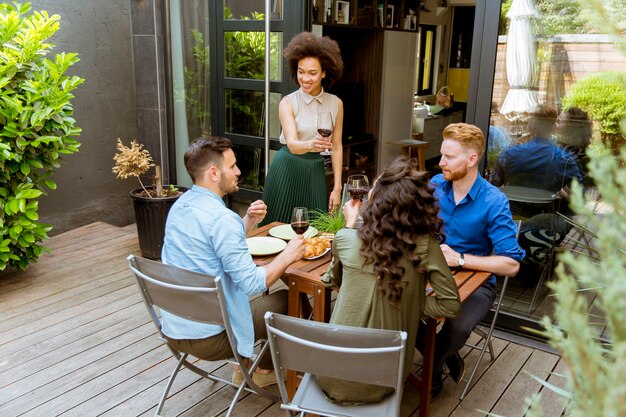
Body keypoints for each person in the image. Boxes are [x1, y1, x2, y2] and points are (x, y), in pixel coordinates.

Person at [160, 135, 305, 387]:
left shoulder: (181, 206)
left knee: (257, 300)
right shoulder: (221, 219)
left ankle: (245, 365)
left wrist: (247, 221)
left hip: (175, 327)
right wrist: (289, 255)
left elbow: (212, 245)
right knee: (289, 299)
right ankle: (261, 371)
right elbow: (251, 284)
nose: (238, 171)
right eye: (232, 166)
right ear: (214, 173)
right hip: (210, 335)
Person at [318, 157, 461, 404]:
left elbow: (332, 280)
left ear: (376, 202)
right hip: (386, 381)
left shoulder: (345, 238)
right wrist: (411, 306)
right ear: (418, 207)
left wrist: (350, 224)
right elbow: (450, 303)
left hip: (328, 374)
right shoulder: (425, 245)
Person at [417, 123, 525, 399]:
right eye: (442, 155)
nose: (440, 162)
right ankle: (444, 359)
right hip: (429, 273)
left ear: (471, 159)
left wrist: (461, 259)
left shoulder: (494, 201)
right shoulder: (435, 186)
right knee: (397, 303)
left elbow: (511, 265)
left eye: (448, 157)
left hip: (476, 283)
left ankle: (434, 367)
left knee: (457, 326)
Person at [262, 31, 344, 225]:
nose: (305, 78)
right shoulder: (288, 103)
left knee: (314, 228)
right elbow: (292, 144)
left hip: (314, 170)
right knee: (276, 228)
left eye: (312, 73)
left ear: (324, 72)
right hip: (286, 169)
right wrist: (312, 144)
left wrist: (338, 186)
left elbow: (337, 146)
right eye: (301, 71)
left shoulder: (336, 104)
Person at [493, 104, 582, 194]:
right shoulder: (565, 159)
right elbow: (581, 195)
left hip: (511, 207)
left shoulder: (509, 154)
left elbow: (493, 185)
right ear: (554, 128)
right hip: (546, 207)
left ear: (531, 126)